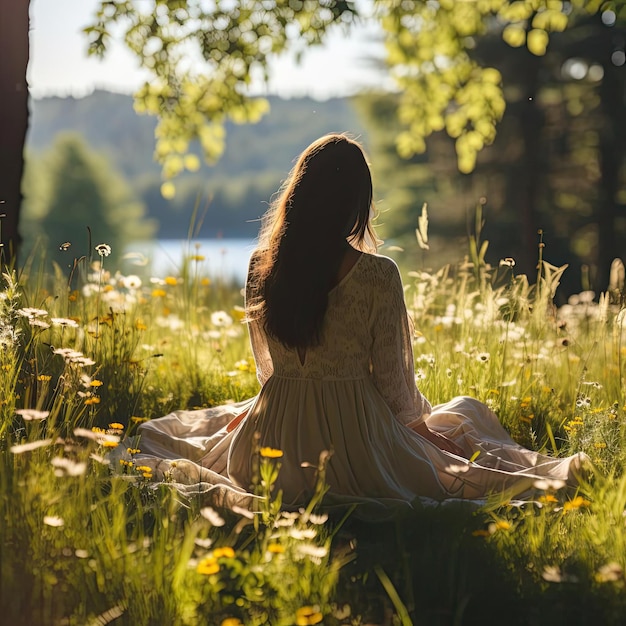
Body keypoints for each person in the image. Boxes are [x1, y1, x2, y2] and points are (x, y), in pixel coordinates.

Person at [134, 133, 587, 514]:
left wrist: (261, 410)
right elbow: (395, 389)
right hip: (353, 438)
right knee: (465, 421)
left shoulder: (260, 267)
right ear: (355, 203)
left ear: (299, 196)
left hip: (271, 438)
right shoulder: (376, 274)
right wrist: (426, 438)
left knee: (167, 439)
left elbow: (269, 368)